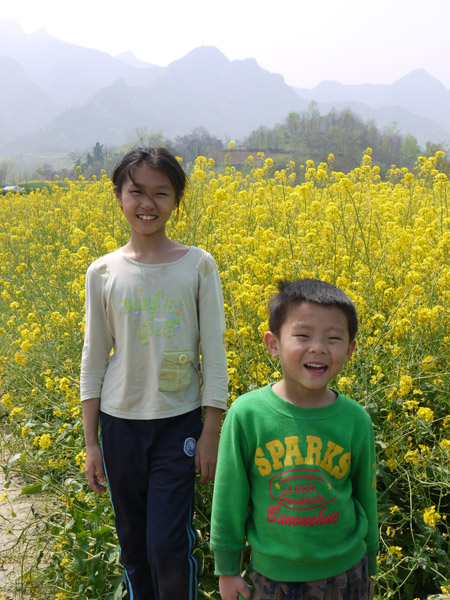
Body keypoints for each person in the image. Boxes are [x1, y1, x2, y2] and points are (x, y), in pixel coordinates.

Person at [80, 147, 228, 600]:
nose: (148, 204)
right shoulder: (102, 271)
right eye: (136, 192)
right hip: (120, 423)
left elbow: (214, 352)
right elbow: (93, 357)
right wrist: (91, 442)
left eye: (161, 193)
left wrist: (211, 432)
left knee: (166, 543)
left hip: (178, 423)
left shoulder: (198, 264)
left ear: (176, 200)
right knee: (134, 546)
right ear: (119, 197)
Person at [210, 279, 378, 600]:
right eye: (303, 335)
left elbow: (365, 497)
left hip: (348, 570)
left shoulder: (356, 419)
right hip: (275, 578)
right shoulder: (247, 414)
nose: (318, 348)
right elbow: (229, 497)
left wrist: (371, 563)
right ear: (273, 344)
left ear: (350, 349)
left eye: (333, 338)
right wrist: (227, 569)